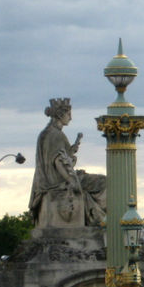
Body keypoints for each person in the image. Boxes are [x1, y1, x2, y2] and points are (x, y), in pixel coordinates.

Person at [28, 97, 106, 228]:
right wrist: (72, 181)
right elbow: (59, 162)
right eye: (68, 114)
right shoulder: (57, 135)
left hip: (46, 182)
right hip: (59, 182)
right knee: (104, 183)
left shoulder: (45, 134)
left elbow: (57, 158)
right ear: (60, 115)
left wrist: (70, 152)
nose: (70, 118)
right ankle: (100, 221)